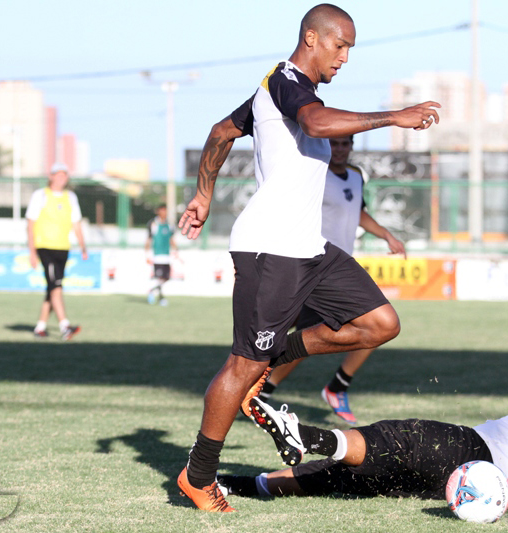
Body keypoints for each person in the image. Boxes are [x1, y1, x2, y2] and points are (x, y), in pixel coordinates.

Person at [175, 4, 440, 512]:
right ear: (313, 38)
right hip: (269, 248)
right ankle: (198, 474)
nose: (344, 58)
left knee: (379, 323)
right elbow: (316, 125)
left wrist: (203, 194)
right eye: (340, 46)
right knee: (240, 365)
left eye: (350, 50)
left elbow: (220, 132)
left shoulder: (285, 94)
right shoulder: (284, 79)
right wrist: (393, 117)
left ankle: (275, 358)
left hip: (309, 249)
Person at [221, 338, 508, 502]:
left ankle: (304, 436)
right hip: (453, 487)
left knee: (399, 437)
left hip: (474, 454)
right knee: (348, 476)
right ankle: (242, 484)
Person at [261, 135, 407, 425]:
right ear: (327, 146)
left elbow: (358, 212)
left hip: (339, 272)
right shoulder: (314, 173)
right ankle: (259, 394)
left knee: (375, 323)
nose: (340, 149)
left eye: (345, 144)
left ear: (351, 147)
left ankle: (334, 387)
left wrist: (386, 235)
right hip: (308, 266)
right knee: (284, 337)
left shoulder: (355, 176)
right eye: (335, 143)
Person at [26, 162, 87, 340]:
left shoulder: (71, 197)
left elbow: (76, 223)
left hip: (63, 248)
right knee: (56, 287)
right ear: (51, 176)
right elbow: (30, 224)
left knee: (52, 288)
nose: (61, 178)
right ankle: (65, 326)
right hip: (45, 247)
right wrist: (32, 251)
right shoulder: (40, 195)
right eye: (58, 174)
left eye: (64, 175)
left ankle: (40, 327)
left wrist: (83, 246)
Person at [145, 204, 178, 306]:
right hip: (157, 255)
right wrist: (147, 254)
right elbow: (149, 239)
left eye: (165, 210)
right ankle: (161, 298)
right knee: (159, 278)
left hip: (167, 255)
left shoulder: (169, 225)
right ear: (158, 211)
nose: (164, 213)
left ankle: (152, 291)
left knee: (166, 277)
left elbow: (171, 239)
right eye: (162, 210)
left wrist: (176, 250)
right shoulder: (153, 224)